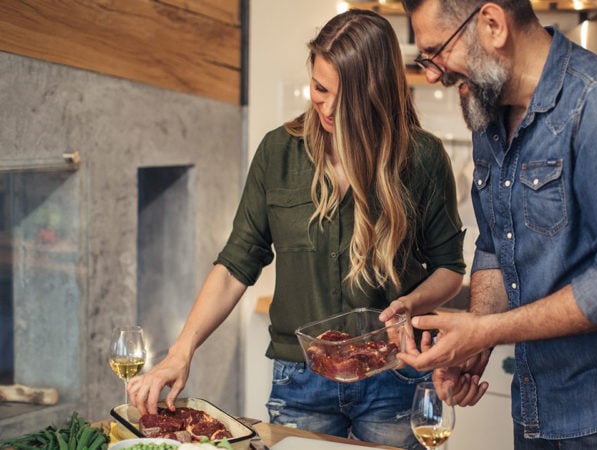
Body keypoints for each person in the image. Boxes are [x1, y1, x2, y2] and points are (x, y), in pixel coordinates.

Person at [126, 9, 466, 449]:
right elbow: (235, 265)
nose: (324, 105)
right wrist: (179, 353)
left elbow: (450, 269)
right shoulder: (278, 152)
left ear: (374, 96)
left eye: (342, 97)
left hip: (393, 378)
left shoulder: (420, 158)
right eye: (319, 87)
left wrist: (410, 304)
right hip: (300, 383)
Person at [397, 1, 597, 448]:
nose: (432, 73)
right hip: (538, 404)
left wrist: (486, 330)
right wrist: (475, 342)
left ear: (492, 25)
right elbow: (494, 245)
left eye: (437, 51)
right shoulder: (489, 113)